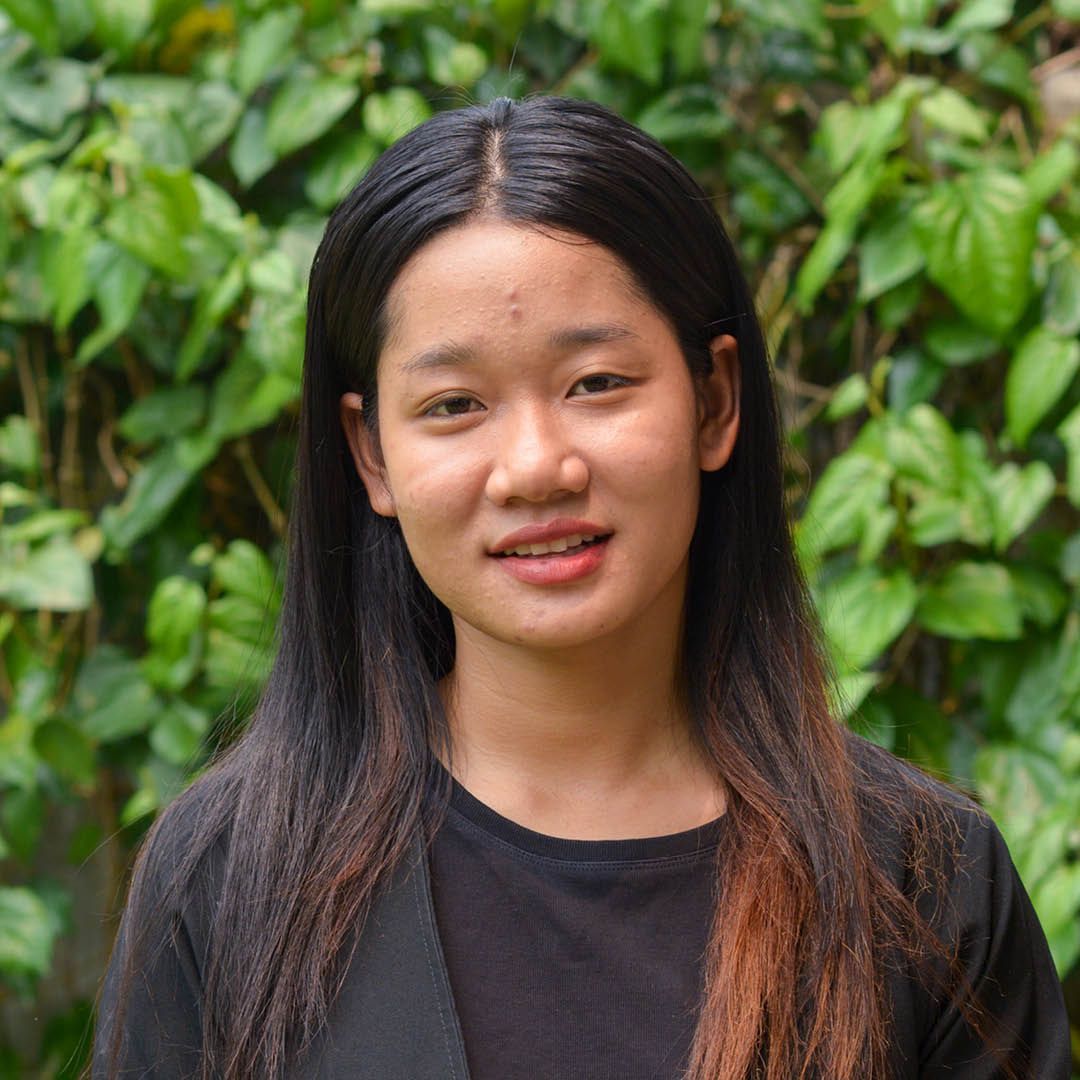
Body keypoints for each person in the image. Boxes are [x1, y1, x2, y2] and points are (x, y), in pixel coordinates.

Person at [93, 96, 1070, 1080]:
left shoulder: (923, 881)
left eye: (596, 383)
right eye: (454, 405)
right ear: (371, 455)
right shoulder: (234, 877)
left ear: (715, 401)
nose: (534, 466)